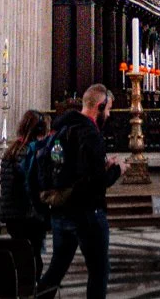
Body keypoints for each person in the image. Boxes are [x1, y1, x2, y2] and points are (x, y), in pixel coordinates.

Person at [36, 84, 122, 299]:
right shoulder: (90, 133)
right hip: (87, 213)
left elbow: (65, 167)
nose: (109, 115)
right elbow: (95, 183)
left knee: (56, 269)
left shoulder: (61, 129)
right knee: (98, 271)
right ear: (99, 106)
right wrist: (117, 170)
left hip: (60, 211)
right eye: (108, 109)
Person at [1, 109, 49, 282]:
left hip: (11, 214)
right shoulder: (30, 152)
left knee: (23, 258)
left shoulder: (12, 151)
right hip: (28, 215)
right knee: (33, 261)